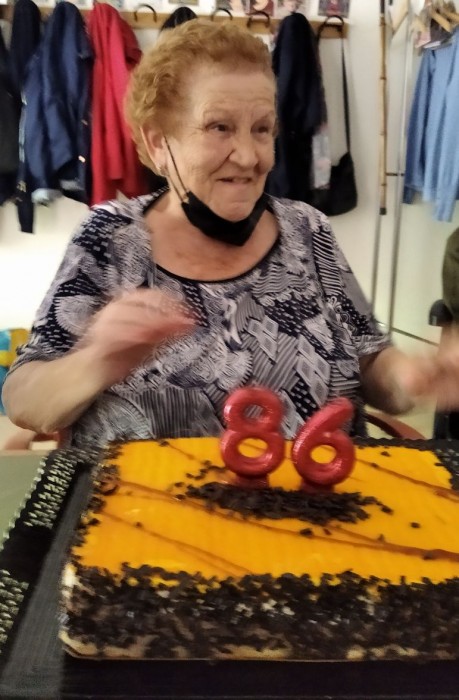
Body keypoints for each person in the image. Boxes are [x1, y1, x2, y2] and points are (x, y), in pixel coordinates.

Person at [1, 19, 455, 448]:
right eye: (219, 127)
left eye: (262, 129)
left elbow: (369, 359)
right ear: (159, 143)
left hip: (322, 495)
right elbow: (25, 402)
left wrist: (412, 377)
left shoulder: (307, 228)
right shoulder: (110, 239)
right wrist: (97, 360)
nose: (249, 156)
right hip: (150, 502)